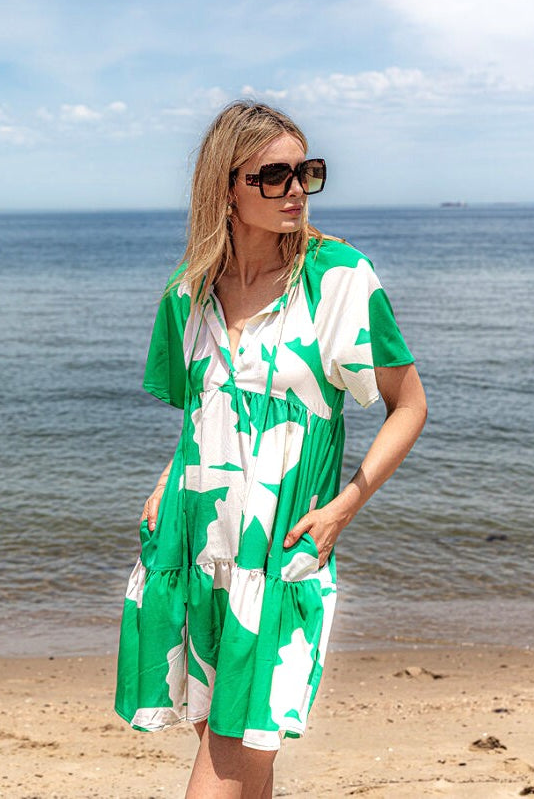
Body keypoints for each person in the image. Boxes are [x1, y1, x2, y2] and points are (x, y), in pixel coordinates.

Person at [114, 100, 427, 798]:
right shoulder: (188, 293)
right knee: (236, 748)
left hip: (278, 551)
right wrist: (165, 480)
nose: (295, 190)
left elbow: (410, 406)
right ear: (226, 187)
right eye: (273, 176)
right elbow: (205, 412)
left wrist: (344, 506)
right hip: (193, 545)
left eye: (305, 173)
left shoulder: (339, 280)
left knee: (229, 756)